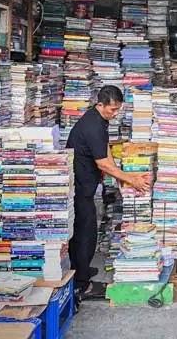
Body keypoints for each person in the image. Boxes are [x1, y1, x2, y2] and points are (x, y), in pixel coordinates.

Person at [67, 85, 150, 300]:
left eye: (117, 110)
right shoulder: (93, 126)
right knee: (85, 234)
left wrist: (121, 178)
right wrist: (131, 179)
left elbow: (105, 152)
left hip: (86, 183)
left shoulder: (99, 120)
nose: (114, 114)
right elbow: (103, 164)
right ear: (100, 104)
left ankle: (80, 271)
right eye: (112, 110)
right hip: (79, 186)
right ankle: (82, 284)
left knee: (84, 231)